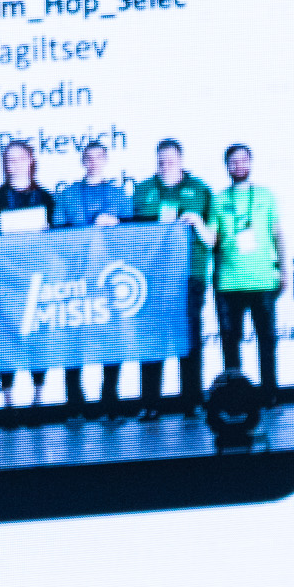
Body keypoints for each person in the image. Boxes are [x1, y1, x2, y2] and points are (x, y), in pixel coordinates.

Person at [131, 139, 216, 420]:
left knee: (189, 336)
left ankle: (192, 401)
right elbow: (130, 235)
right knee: (151, 337)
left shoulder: (200, 190)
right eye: (161, 160)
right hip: (153, 277)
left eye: (171, 160)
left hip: (190, 275)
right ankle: (150, 403)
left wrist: (197, 222)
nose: (166, 164)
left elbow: (212, 236)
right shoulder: (143, 190)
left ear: (181, 160)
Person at [0, 140, 58, 419]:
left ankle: (38, 400)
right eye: (9, 159)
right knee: (5, 338)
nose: (15, 164)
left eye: (20, 158)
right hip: (5, 281)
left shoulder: (46, 198)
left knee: (38, 338)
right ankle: (8, 403)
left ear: (31, 160)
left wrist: (49, 234)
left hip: (37, 280)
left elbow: (59, 242)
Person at [54, 140, 131, 419]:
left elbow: (134, 236)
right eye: (89, 157)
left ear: (106, 160)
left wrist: (118, 225)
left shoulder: (119, 194)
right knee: (73, 339)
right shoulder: (67, 195)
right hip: (75, 278)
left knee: (111, 338)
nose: (94, 162)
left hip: (110, 279)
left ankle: (110, 398)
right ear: (82, 161)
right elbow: (56, 235)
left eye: (99, 157)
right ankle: (74, 403)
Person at [214, 144, 285, 394]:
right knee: (230, 344)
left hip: (262, 280)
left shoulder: (266, 196)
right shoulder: (218, 199)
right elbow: (213, 239)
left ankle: (270, 394)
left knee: (267, 341)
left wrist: (284, 270)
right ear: (226, 166)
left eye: (243, 160)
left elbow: (277, 234)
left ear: (251, 163)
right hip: (229, 283)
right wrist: (196, 222)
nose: (239, 165)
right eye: (233, 161)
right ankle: (235, 396)